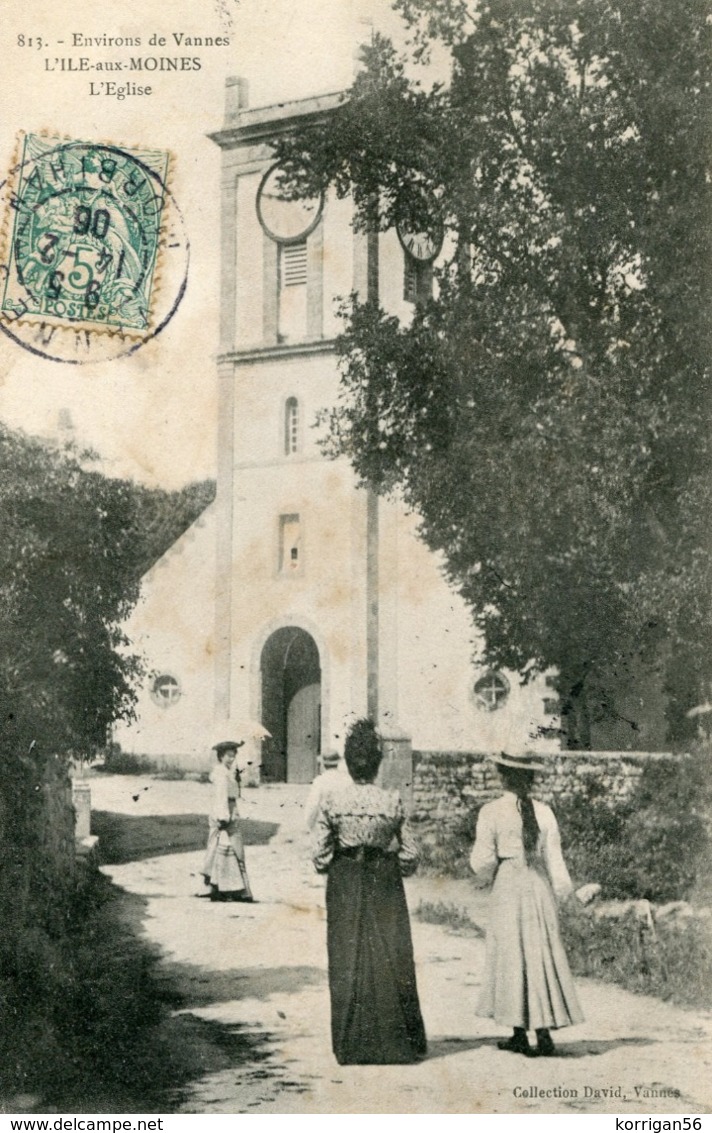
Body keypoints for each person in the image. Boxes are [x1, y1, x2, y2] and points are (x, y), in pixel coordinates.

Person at [313, 718, 427, 1065]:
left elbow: (319, 856)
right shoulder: (391, 801)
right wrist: (393, 867)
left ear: (348, 764)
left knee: (347, 957)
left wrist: (338, 864)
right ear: (377, 765)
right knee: (390, 954)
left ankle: (352, 1045)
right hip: (384, 881)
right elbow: (411, 853)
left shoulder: (333, 801)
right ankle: (396, 1042)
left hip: (346, 879)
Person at [469, 751, 583, 1057]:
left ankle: (519, 1031)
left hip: (509, 885)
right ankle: (543, 1034)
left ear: (502, 775)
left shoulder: (491, 812)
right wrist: (563, 893)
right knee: (539, 953)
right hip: (538, 885)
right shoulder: (544, 812)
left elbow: (483, 861)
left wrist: (482, 874)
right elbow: (555, 860)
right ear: (530, 778)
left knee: (512, 955)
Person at [201, 739, 254, 903]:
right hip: (224, 813)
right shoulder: (221, 773)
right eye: (228, 756)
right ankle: (230, 889)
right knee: (228, 847)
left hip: (230, 810)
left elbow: (233, 794)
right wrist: (223, 816)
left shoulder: (229, 772)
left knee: (223, 848)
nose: (231, 759)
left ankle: (221, 887)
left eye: (233, 756)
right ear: (221, 756)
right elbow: (220, 796)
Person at [303, 750, 351, 830]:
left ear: (324, 764)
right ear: (337, 763)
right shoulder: (347, 779)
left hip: (327, 824)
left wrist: (310, 824)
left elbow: (313, 804)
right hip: (345, 823)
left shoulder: (320, 781)